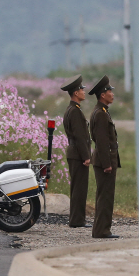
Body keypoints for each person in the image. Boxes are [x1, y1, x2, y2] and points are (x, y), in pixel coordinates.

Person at [88, 75, 121, 239]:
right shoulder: (100, 114)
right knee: (105, 196)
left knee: (105, 195)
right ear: (103, 94)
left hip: (104, 160)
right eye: (110, 91)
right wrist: (107, 163)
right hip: (104, 161)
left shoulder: (101, 112)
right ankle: (102, 231)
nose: (112, 94)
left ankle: (101, 229)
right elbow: (101, 141)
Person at [60, 75, 92, 228]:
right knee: (79, 188)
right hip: (78, 154)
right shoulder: (75, 111)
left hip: (74, 153)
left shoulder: (71, 109)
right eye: (81, 89)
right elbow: (79, 136)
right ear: (75, 93)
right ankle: (77, 220)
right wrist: (86, 156)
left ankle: (76, 219)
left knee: (77, 187)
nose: (83, 92)